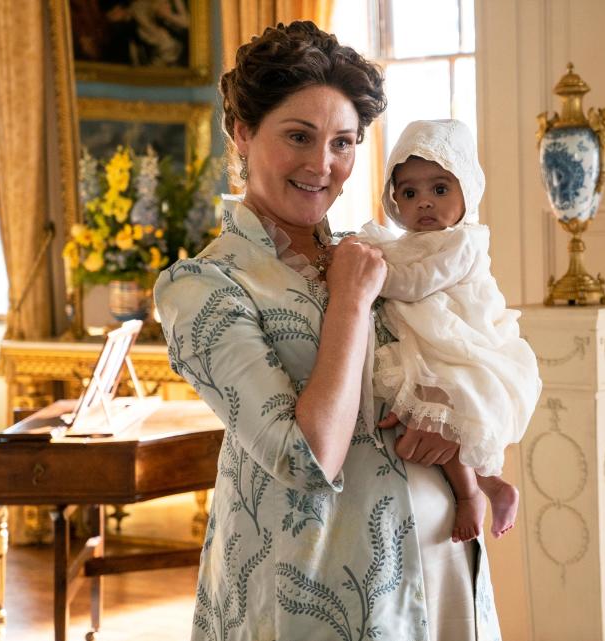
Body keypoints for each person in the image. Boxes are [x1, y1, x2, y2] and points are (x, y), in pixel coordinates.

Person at [154, 22, 502, 641]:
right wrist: (348, 300)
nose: (323, 164)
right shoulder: (203, 285)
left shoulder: (372, 254)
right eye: (299, 136)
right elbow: (307, 459)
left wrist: (467, 457)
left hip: (443, 573)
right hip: (317, 599)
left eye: (343, 142)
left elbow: (436, 376)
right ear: (242, 134)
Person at [360, 119, 542, 543]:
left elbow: (419, 281)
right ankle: (491, 486)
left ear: (466, 192)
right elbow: (400, 262)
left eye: (440, 189)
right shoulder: (405, 244)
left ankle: (469, 496)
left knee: (445, 411)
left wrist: (370, 277)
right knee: (426, 411)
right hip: (430, 339)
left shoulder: (463, 242)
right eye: (409, 193)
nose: (424, 202)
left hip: (462, 340)